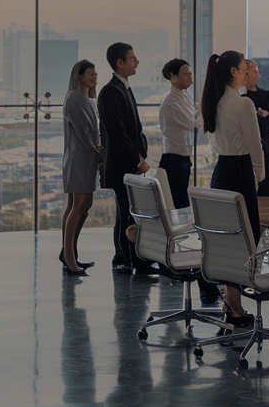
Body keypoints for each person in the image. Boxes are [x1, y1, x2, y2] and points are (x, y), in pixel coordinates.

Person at [201, 50, 265, 329]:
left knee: (229, 238)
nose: (247, 73)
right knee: (248, 237)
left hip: (221, 172)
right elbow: (255, 146)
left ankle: (232, 300)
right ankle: (234, 302)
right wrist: (258, 177)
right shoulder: (243, 104)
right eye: (243, 69)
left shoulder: (213, 102)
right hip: (240, 172)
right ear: (233, 72)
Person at [97, 42, 151, 275]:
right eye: (132, 58)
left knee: (128, 211)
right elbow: (117, 133)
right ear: (120, 63)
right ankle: (124, 257)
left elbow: (135, 129)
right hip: (122, 165)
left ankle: (130, 257)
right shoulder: (110, 92)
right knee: (126, 211)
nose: (136, 62)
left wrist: (141, 154)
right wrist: (136, 159)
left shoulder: (124, 88)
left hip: (130, 163)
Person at [61, 60, 102, 275]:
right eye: (90, 74)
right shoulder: (75, 97)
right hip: (80, 157)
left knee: (76, 205)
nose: (95, 77)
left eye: (96, 73)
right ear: (80, 76)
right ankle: (69, 256)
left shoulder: (86, 98)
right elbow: (83, 131)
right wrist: (97, 150)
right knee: (80, 204)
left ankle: (69, 253)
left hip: (83, 157)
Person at [158, 58, 200, 209]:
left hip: (183, 158)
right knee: (178, 204)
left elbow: (196, 117)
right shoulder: (171, 102)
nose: (190, 77)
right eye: (185, 74)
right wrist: (202, 113)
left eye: (190, 74)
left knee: (181, 202)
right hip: (173, 160)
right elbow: (193, 124)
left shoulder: (185, 97)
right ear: (172, 76)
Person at [242, 59, 269, 198]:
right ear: (245, 73)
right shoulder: (241, 100)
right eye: (255, 71)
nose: (258, 75)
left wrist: (267, 117)